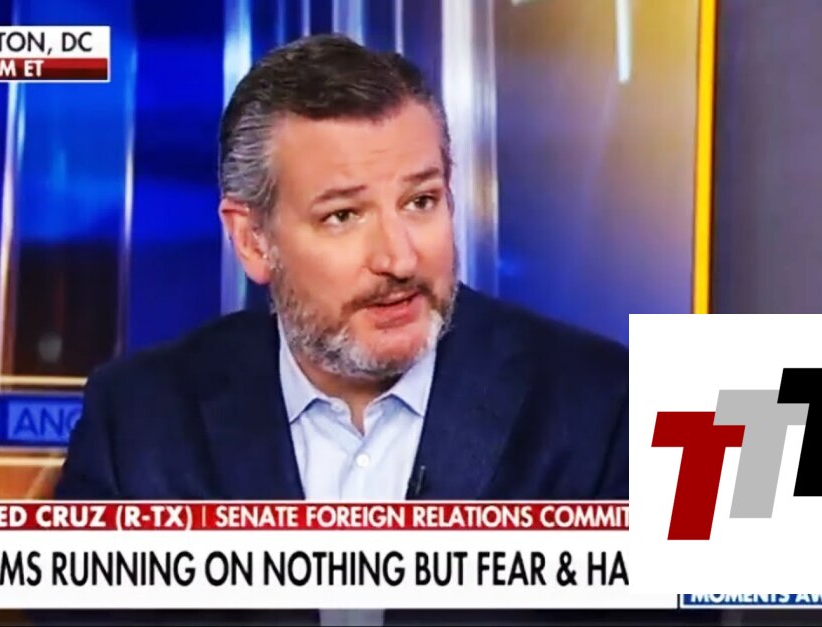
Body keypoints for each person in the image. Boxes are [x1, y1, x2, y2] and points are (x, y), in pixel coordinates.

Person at [49, 33, 643, 627]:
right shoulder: (137, 423)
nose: (399, 259)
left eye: (420, 201)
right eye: (343, 216)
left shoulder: (613, 407)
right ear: (252, 240)